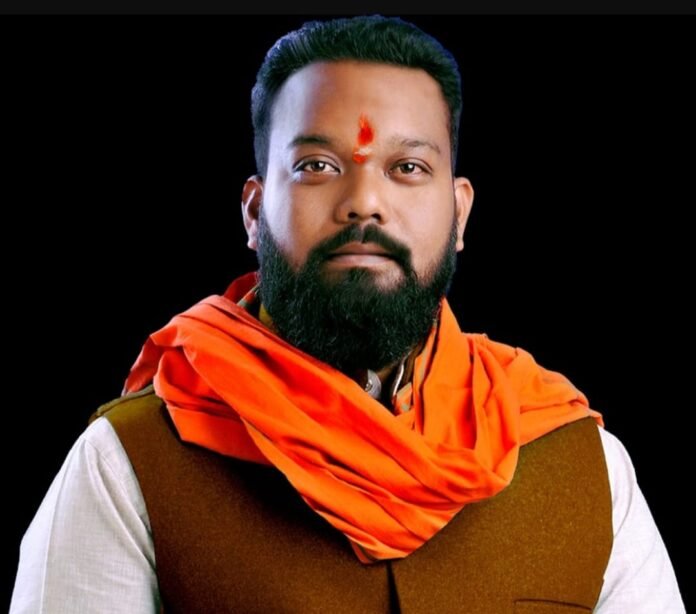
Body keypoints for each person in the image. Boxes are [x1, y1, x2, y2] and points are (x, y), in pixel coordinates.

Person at [10, 15, 685, 613]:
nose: (364, 201)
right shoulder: (126, 464)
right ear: (254, 211)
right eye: (317, 165)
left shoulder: (584, 465)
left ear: (460, 213)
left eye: (408, 168)